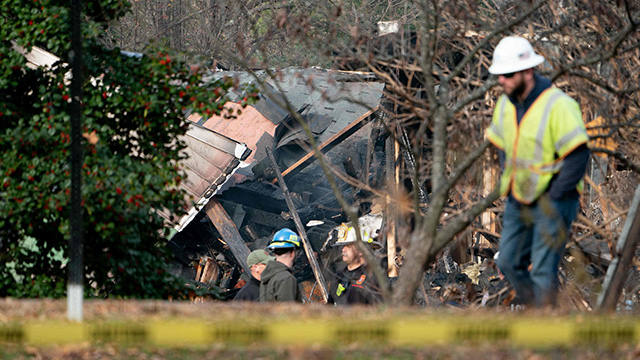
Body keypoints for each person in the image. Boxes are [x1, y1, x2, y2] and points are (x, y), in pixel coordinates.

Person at [485, 36, 590, 307]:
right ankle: (541, 313)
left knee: (543, 271)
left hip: (555, 199)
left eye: (507, 75)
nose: (501, 81)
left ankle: (545, 333)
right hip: (518, 198)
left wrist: (555, 197)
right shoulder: (505, 105)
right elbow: (501, 145)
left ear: (528, 71)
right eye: (499, 75)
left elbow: (578, 157)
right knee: (507, 261)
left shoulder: (559, 105)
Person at [328, 224, 383, 305]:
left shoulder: (373, 278)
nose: (343, 250)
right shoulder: (339, 276)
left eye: (349, 246)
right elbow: (329, 306)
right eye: (343, 246)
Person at [259, 228, 303, 302]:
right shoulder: (286, 278)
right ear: (292, 252)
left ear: (275, 252)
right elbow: (287, 311)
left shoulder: (268, 275)